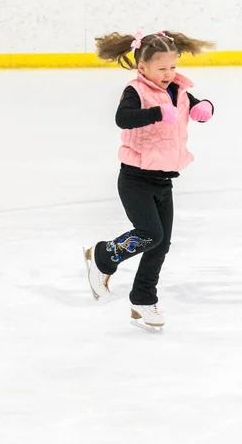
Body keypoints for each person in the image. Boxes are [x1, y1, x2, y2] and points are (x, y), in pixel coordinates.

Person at [84, 30, 215, 328]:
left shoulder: (179, 90)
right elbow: (123, 118)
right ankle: (103, 256)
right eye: (162, 68)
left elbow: (193, 106)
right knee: (149, 234)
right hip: (135, 178)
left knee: (161, 243)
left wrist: (203, 108)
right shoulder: (136, 91)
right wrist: (156, 113)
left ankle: (143, 301)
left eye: (172, 66)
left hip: (164, 179)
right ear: (142, 68)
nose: (169, 73)